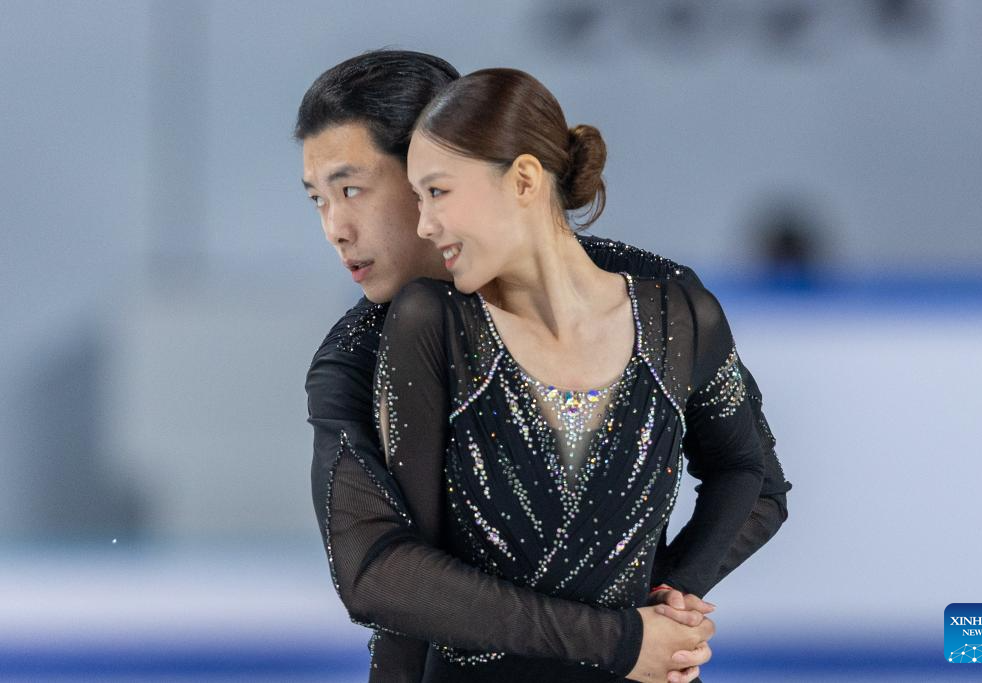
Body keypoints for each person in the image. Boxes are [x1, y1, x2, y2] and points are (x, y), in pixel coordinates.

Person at [299, 51, 791, 682]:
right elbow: (375, 571)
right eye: (317, 200)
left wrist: (657, 608)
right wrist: (612, 635)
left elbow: (756, 484)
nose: (335, 228)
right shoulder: (355, 354)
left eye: (351, 190)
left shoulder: (659, 299)